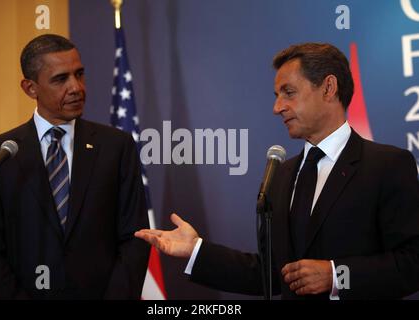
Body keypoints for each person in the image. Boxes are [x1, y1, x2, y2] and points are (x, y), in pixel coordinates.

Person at [135, 43, 419, 299]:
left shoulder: (387, 165)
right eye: (276, 95)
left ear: (329, 88)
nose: (277, 107)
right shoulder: (281, 174)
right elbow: (271, 275)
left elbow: (412, 264)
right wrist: (195, 249)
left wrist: (336, 275)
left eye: (289, 93)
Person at [0, 34, 150, 299]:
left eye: (79, 74)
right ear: (30, 88)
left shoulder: (117, 146)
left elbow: (134, 237)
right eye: (60, 79)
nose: (76, 87)